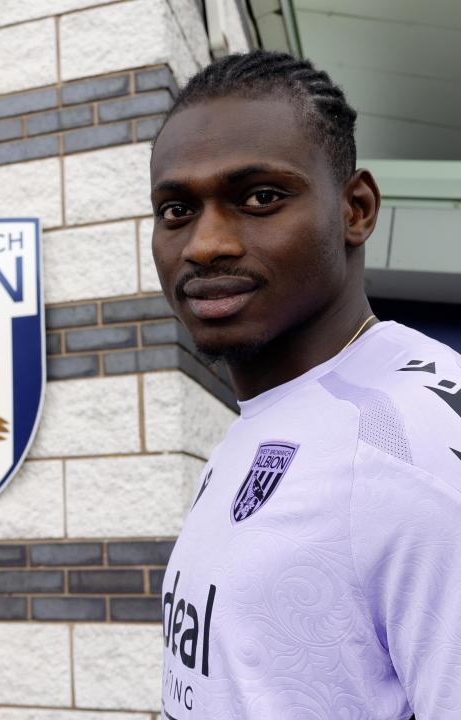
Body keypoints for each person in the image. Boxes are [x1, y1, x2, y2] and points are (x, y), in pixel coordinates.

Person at [151, 50, 461, 720]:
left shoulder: (415, 452)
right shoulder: (270, 418)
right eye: (176, 209)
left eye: (260, 197)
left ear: (356, 209)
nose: (204, 244)